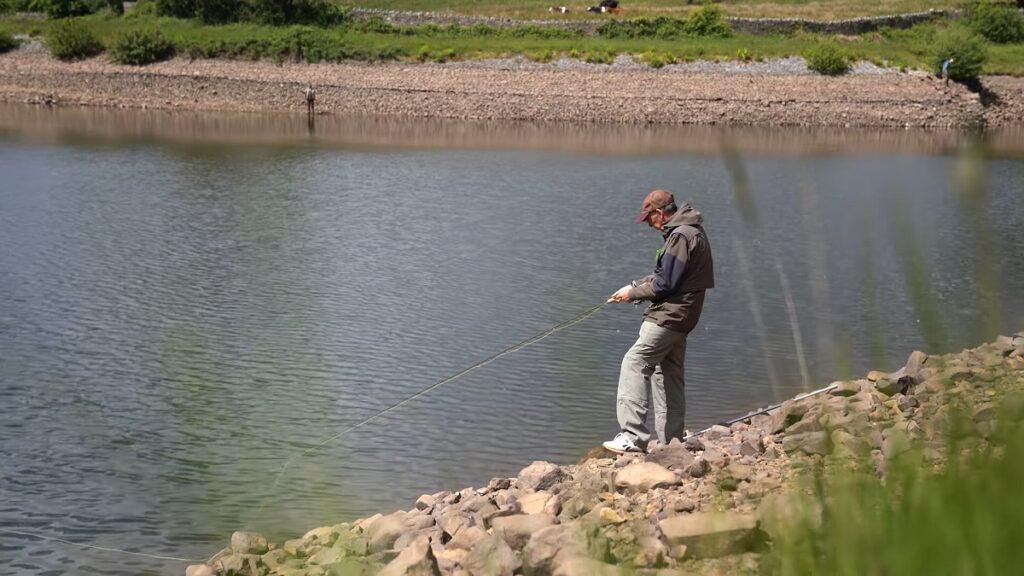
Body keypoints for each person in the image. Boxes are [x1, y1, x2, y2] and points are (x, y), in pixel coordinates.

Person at [603, 189, 714, 454]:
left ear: (659, 213)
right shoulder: (691, 231)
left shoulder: (680, 236)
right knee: (667, 375)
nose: (649, 225)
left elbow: (665, 284)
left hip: (669, 316)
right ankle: (672, 443)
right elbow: (663, 275)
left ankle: (633, 436)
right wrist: (633, 286)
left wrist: (632, 294)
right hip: (685, 317)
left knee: (635, 361)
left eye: (649, 219)